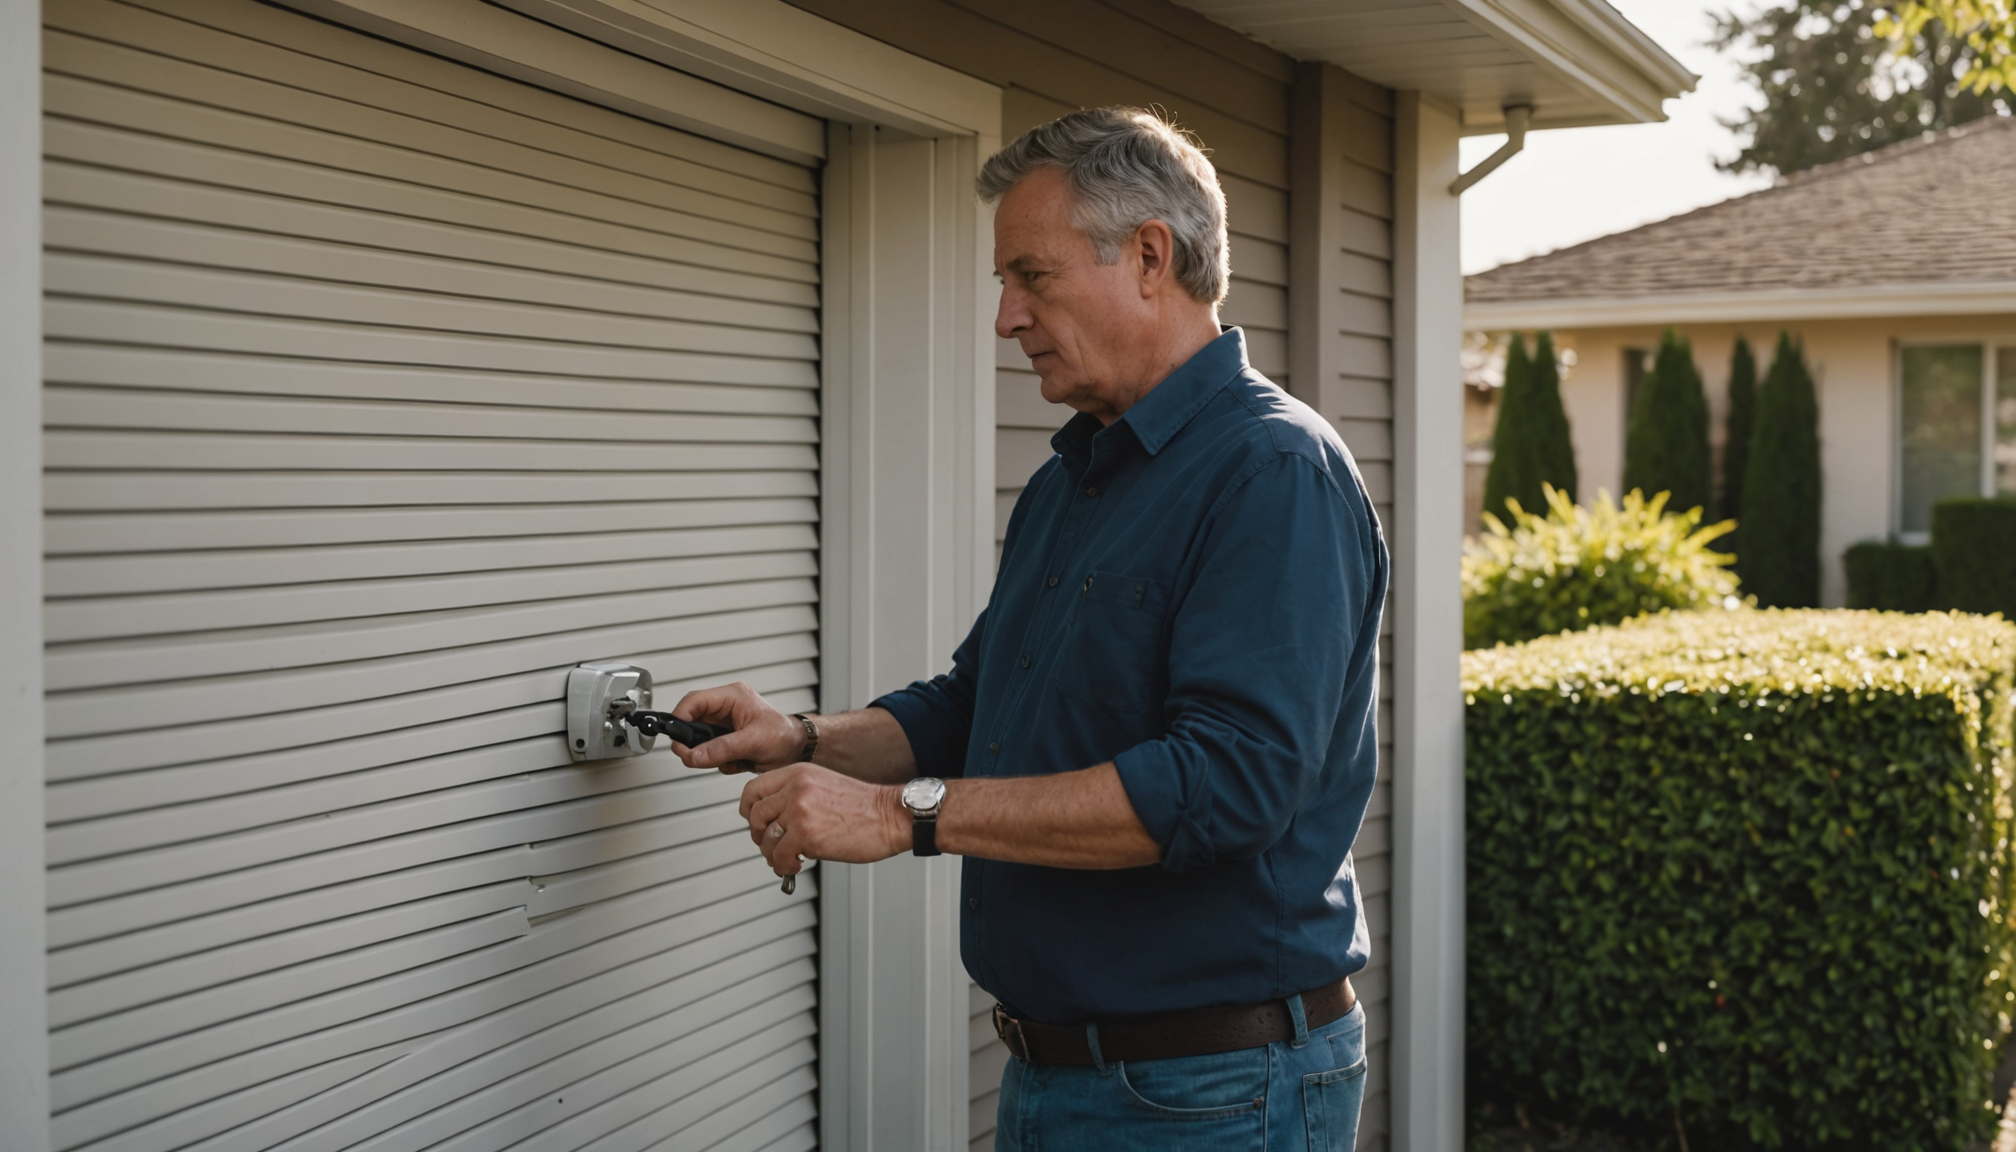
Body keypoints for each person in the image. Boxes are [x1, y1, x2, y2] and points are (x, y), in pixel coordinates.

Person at [669, 106, 1388, 1152]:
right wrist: (806, 738)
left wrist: (902, 817)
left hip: (1215, 1091)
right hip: (1063, 1074)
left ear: (1150, 256)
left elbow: (1226, 786)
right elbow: (979, 703)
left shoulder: (1270, 473)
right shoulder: (1076, 478)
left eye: (1031, 276)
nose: (1006, 318)